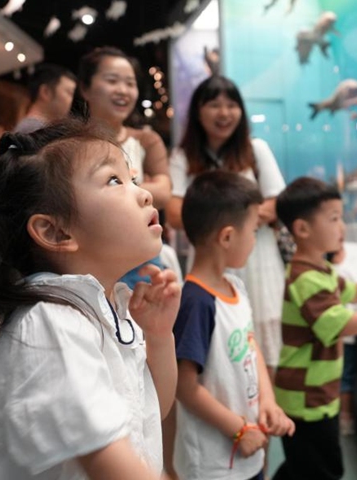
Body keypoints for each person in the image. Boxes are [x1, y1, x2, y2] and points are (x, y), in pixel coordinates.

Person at [0, 119, 180, 479]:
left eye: (132, 178)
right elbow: (105, 461)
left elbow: (149, 411)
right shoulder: (50, 322)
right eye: (114, 181)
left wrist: (160, 337)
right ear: (55, 231)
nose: (144, 193)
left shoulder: (108, 309)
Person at [272, 177, 357, 480]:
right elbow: (342, 323)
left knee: (304, 464)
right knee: (322, 469)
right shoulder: (306, 279)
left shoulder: (321, 270)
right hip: (306, 399)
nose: (342, 227)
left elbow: (352, 291)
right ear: (303, 229)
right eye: (334, 218)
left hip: (316, 395)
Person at [172, 171, 295, 480]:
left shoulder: (236, 288)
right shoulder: (196, 303)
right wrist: (238, 430)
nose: (254, 240)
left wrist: (268, 401)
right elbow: (184, 386)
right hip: (214, 465)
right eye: (253, 230)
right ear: (227, 237)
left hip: (247, 452)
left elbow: (251, 346)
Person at [168, 75, 286, 379]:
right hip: (210, 266)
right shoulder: (183, 157)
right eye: (214, 105)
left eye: (231, 105)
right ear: (198, 111)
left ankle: (262, 406)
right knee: (214, 350)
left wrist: (215, 219)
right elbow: (174, 214)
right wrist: (241, 217)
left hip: (257, 262)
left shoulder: (255, 150)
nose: (224, 113)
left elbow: (277, 203)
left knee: (262, 346)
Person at [78, 46, 172, 288]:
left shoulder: (146, 140)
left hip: (140, 261)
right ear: (85, 88)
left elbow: (164, 193)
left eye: (130, 83)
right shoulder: (71, 145)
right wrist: (138, 184)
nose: (123, 90)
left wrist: (107, 187)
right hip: (87, 257)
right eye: (112, 80)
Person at [326, 247, 357, 436]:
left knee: (336, 375)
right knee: (346, 377)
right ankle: (346, 419)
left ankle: (336, 416)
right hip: (347, 335)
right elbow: (355, 300)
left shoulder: (325, 272)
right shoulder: (344, 273)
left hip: (332, 335)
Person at [13, 63, 77, 134]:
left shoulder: (34, 128)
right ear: (46, 92)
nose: (72, 100)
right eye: (69, 93)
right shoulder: (34, 129)